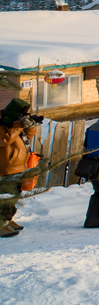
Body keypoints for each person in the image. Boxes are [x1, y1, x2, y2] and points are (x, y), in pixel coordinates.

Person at [0, 99, 42, 238]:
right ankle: (1, 224)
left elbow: (27, 136)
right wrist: (18, 126)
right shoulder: (3, 125)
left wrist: (29, 126)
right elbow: (4, 140)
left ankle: (7, 219)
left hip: (19, 167)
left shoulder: (13, 125)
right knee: (6, 197)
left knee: (14, 196)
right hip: (6, 168)